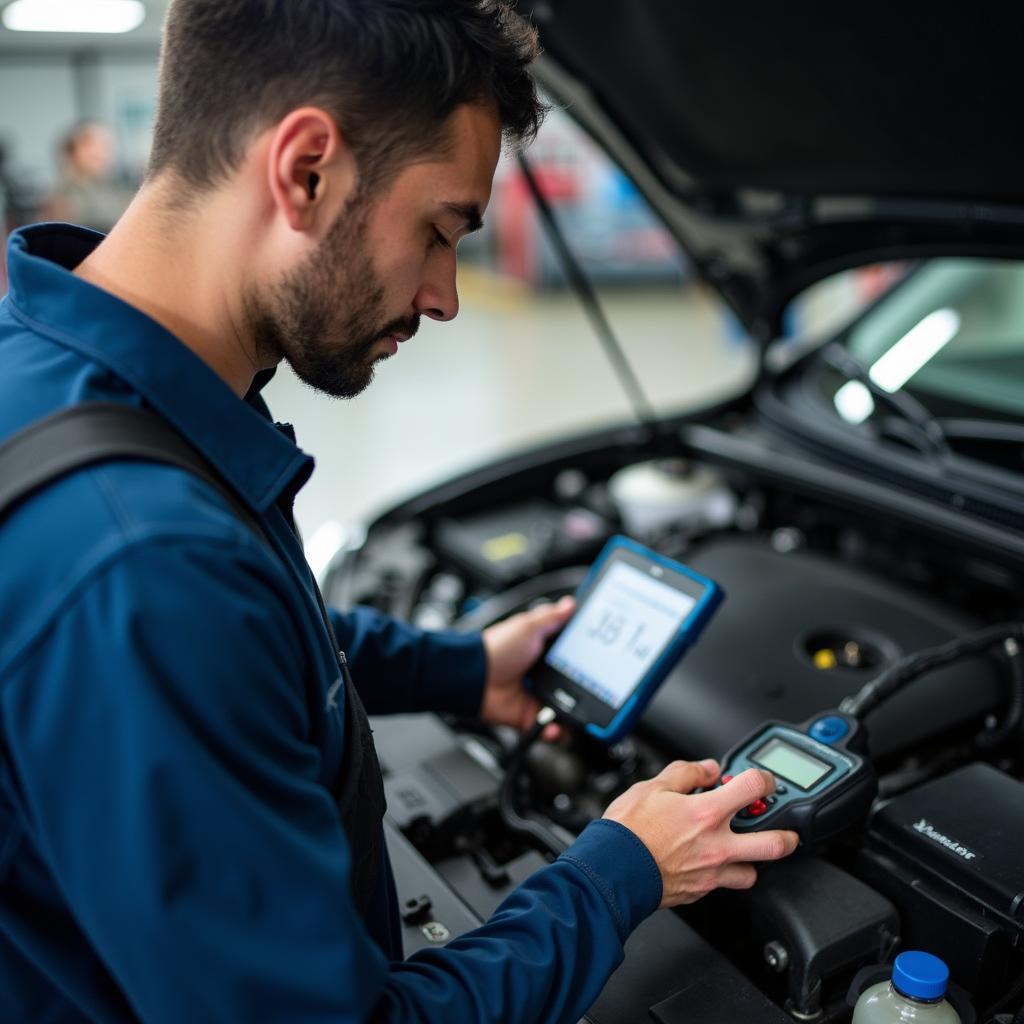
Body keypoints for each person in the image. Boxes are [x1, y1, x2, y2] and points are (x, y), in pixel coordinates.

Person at [0, 2, 799, 1021]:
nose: (446, 296)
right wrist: (620, 869)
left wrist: (458, 667)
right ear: (305, 171)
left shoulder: (50, 364)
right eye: (439, 230)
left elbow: (253, 645)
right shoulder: (144, 567)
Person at [42, 121, 132, 233]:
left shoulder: (113, 188)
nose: (103, 153)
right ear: (73, 150)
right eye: (93, 145)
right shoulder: (62, 195)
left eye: (107, 146)